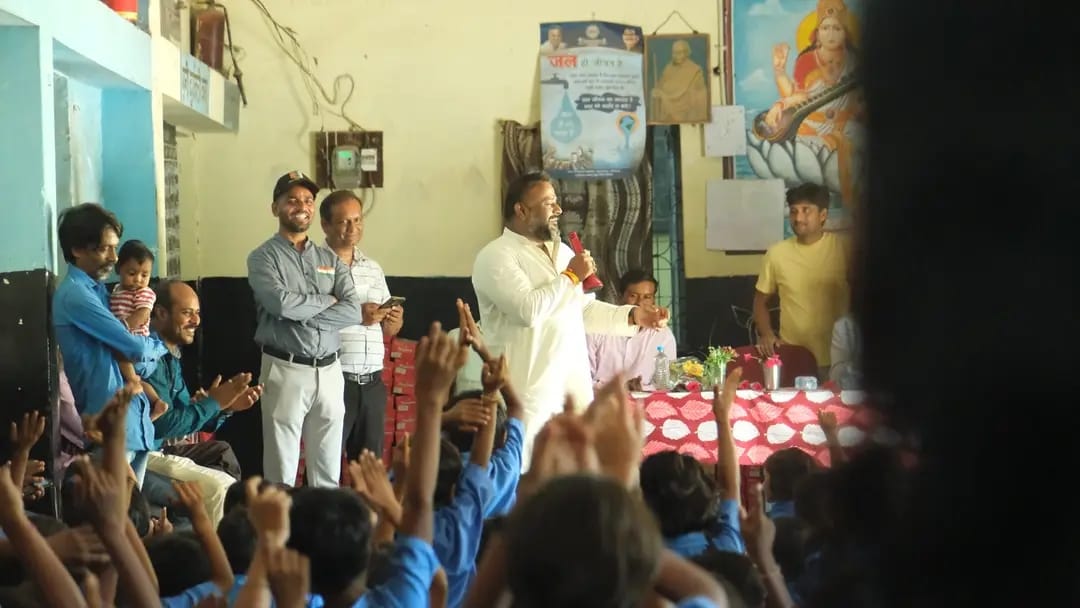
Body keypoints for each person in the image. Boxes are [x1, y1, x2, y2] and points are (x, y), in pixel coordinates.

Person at [471, 171, 668, 467]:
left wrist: (633, 316)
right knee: (528, 480)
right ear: (521, 210)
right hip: (527, 394)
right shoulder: (496, 256)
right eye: (549, 203)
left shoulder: (562, 252)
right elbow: (528, 310)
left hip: (572, 392)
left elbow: (583, 311)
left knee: (576, 482)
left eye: (557, 202)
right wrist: (572, 275)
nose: (559, 210)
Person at [247, 171, 361, 487]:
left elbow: (352, 310)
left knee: (327, 472)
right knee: (281, 469)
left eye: (308, 200)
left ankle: (321, 534)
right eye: (292, 200)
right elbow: (281, 305)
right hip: (285, 368)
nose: (302, 206)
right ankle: (280, 535)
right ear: (276, 208)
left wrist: (305, 314)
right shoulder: (262, 257)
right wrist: (327, 299)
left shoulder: (329, 258)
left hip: (330, 371)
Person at [53, 203, 168, 485]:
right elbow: (136, 348)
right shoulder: (76, 296)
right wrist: (163, 342)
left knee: (133, 520)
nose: (114, 257)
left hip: (133, 424)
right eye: (104, 249)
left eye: (114, 248)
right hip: (110, 426)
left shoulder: (102, 292)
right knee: (117, 520)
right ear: (78, 250)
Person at [321, 190, 404, 462]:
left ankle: (366, 507)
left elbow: (387, 330)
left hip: (371, 383)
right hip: (333, 379)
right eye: (344, 221)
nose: (353, 228)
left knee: (369, 469)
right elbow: (310, 317)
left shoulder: (373, 268)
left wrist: (393, 321)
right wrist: (356, 315)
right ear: (325, 225)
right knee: (325, 464)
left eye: (358, 220)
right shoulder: (314, 267)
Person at [763, 0, 861, 207]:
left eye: (837, 28)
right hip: (813, 128)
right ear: (817, 32)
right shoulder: (806, 60)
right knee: (796, 151)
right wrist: (779, 74)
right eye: (825, 28)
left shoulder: (856, 61)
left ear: (846, 32)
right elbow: (799, 97)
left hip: (845, 127)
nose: (831, 33)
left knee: (856, 137)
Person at [753, 182, 849, 377]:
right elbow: (759, 301)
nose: (798, 218)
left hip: (837, 360)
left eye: (806, 210)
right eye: (794, 211)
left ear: (823, 215)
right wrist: (766, 334)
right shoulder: (776, 253)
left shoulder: (844, 249)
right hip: (792, 357)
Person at [588, 270, 677, 391]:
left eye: (647, 297)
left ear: (653, 300)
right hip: (603, 401)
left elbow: (666, 382)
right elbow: (584, 376)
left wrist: (641, 389)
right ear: (620, 297)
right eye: (633, 296)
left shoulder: (663, 335)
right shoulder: (598, 328)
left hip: (646, 401)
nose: (640, 303)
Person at [650, 39, 709, 123]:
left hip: (685, 112)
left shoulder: (695, 70)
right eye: (674, 53)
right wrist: (657, 91)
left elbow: (697, 96)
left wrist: (665, 96)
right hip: (666, 111)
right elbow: (661, 84)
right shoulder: (669, 67)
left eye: (679, 53)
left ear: (686, 53)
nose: (675, 56)